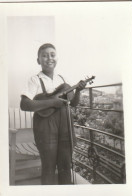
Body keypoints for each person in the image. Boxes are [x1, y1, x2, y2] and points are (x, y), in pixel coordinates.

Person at [20, 43, 86, 185]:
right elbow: (24, 104)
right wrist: (52, 103)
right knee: (48, 168)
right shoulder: (34, 79)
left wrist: (78, 91)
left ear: (57, 58)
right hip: (45, 129)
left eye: (52, 54)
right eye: (44, 55)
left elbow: (73, 104)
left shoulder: (62, 79)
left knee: (65, 168)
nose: (49, 58)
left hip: (65, 127)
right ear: (38, 60)